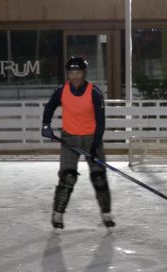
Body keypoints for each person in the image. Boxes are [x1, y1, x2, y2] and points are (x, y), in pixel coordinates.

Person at [41, 56, 114, 229]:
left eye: (78, 72)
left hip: (91, 138)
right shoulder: (62, 90)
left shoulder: (94, 92)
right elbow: (49, 107)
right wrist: (46, 125)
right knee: (68, 176)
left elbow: (101, 123)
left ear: (84, 73)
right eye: (71, 72)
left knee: (99, 177)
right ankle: (57, 214)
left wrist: (95, 146)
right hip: (69, 138)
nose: (75, 76)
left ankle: (106, 213)